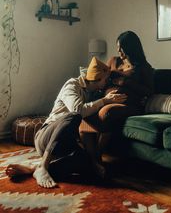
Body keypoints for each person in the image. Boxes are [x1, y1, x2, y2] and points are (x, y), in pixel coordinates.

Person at [5, 57, 127, 188]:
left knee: (88, 163)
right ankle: (44, 165)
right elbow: (78, 110)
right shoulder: (72, 85)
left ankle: (35, 168)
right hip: (46, 137)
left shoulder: (94, 92)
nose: (107, 82)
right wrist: (104, 101)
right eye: (105, 79)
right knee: (74, 116)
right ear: (97, 79)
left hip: (66, 144)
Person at [80, 31, 154, 157]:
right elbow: (99, 78)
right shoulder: (113, 61)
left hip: (128, 103)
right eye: (118, 47)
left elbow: (150, 91)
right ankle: (92, 158)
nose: (119, 51)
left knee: (106, 112)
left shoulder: (143, 67)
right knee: (83, 112)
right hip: (106, 98)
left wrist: (126, 83)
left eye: (122, 48)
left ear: (131, 48)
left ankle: (97, 156)